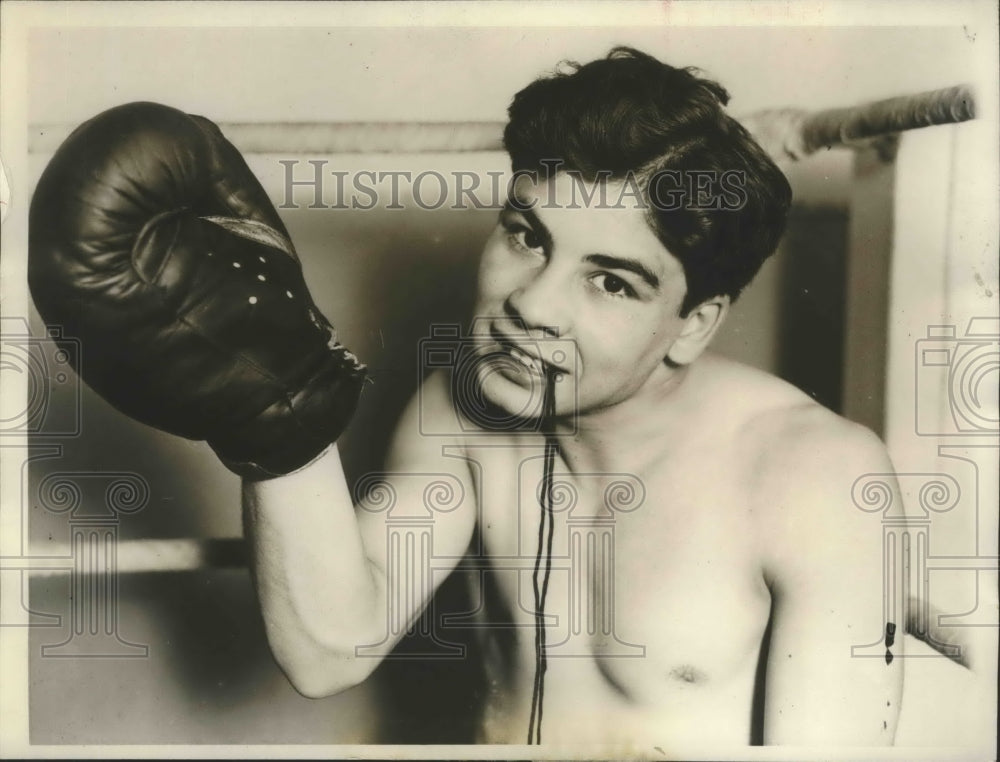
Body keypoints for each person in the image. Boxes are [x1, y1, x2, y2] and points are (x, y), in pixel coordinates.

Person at [30, 47, 942, 750]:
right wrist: (276, 421)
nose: (531, 304)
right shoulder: (460, 413)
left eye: (612, 282)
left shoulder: (810, 474)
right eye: (526, 234)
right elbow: (328, 647)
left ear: (696, 323)